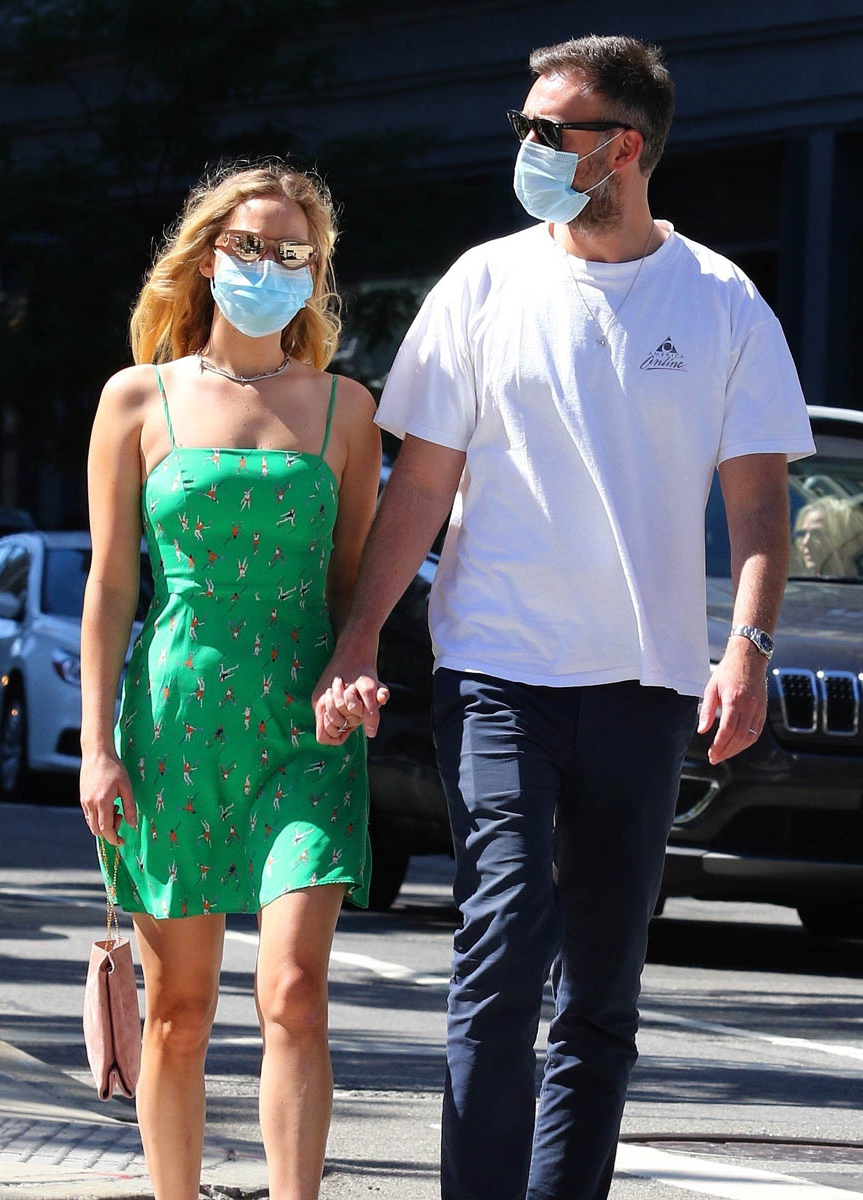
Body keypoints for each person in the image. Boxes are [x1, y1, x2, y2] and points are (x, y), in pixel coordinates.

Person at [312, 34, 815, 1200]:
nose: (529, 146)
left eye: (551, 130)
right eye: (525, 126)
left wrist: (747, 650)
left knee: (601, 986)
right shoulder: (483, 284)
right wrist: (358, 638)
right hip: (495, 672)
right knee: (501, 943)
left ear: (623, 148)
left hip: (646, 685)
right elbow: (420, 489)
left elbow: (758, 505)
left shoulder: (722, 301)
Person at [80, 161, 381, 1200]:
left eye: (293, 251)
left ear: (315, 271)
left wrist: (357, 668)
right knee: (181, 1011)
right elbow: (111, 586)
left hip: (305, 734)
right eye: (248, 245)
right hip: (173, 726)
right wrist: (97, 746)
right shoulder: (137, 398)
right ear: (208, 258)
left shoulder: (347, 410)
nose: (268, 265)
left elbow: (352, 586)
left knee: (293, 992)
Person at [792, 496, 863, 577]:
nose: (805, 542)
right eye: (802, 534)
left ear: (844, 537)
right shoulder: (798, 582)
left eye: (817, 534)